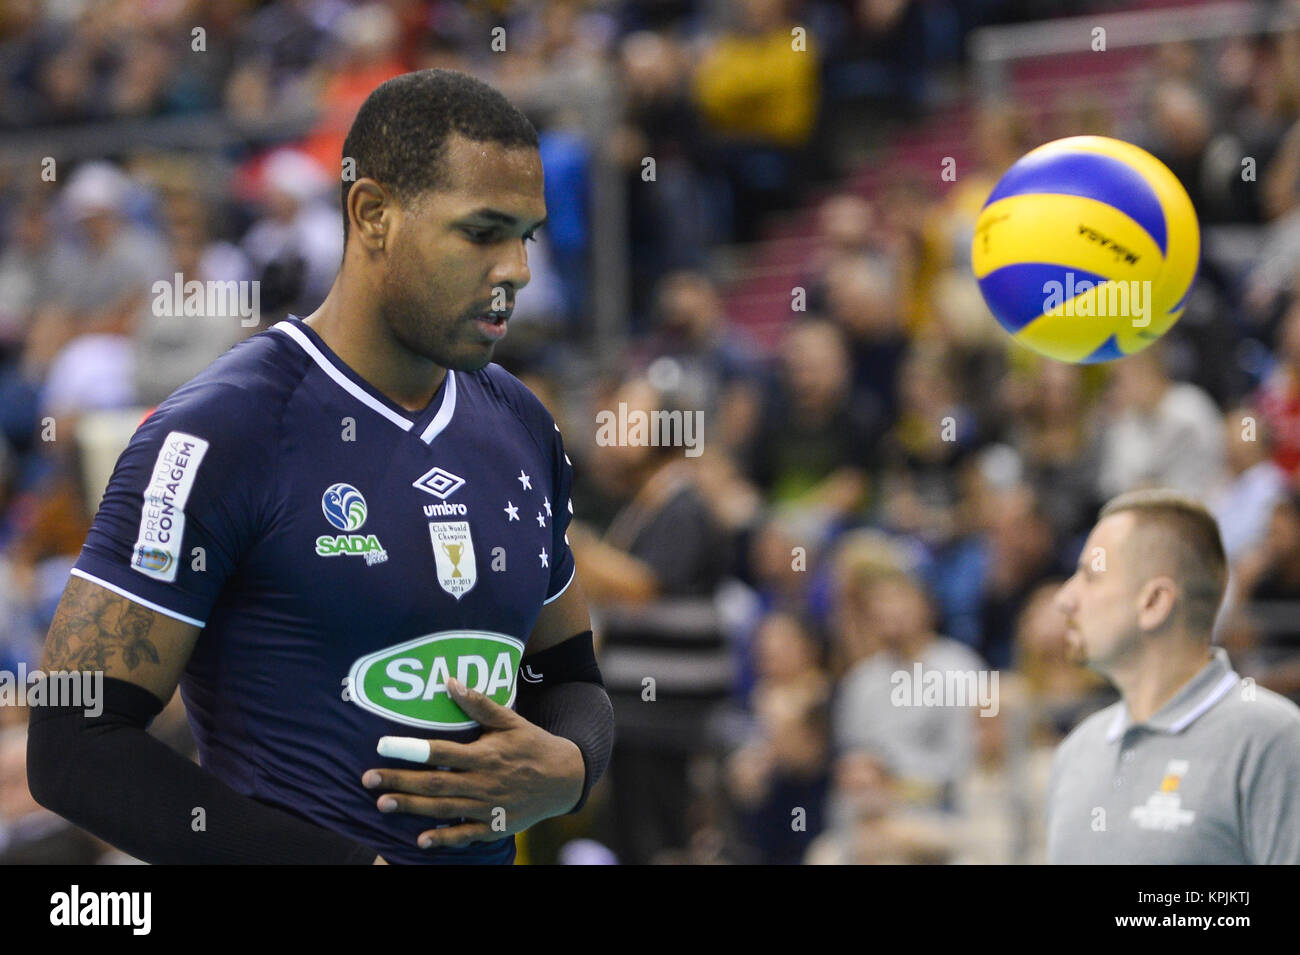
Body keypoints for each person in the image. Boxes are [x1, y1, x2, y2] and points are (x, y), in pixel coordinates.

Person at [26, 69, 615, 865]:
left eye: (527, 236)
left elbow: (568, 676)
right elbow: (75, 742)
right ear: (372, 213)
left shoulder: (521, 424)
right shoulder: (220, 431)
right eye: (482, 232)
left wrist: (572, 766)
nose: (516, 269)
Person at [1045, 488, 1300, 864]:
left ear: (1154, 602)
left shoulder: (1274, 739)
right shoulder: (1075, 751)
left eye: (1089, 576)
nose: (1064, 598)